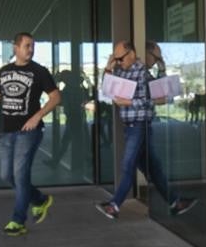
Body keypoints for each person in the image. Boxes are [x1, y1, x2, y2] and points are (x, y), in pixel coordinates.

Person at [0, 32, 60, 236]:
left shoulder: (39, 71)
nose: (31, 49)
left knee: (20, 174)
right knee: (6, 175)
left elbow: (55, 97)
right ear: (15, 48)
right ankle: (39, 199)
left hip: (29, 132)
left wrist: (37, 117)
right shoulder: (4, 71)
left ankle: (18, 221)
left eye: (33, 46)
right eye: (27, 45)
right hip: (6, 131)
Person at [94, 40, 197, 220]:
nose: (118, 62)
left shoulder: (141, 72)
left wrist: (129, 102)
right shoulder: (120, 70)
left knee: (128, 166)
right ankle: (175, 202)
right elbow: (105, 91)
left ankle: (114, 205)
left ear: (131, 53)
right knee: (154, 169)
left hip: (139, 125)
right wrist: (109, 68)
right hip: (131, 126)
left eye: (120, 58)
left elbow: (157, 97)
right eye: (115, 59)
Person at [51, 68, 92, 168]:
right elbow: (88, 96)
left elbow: (58, 99)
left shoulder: (68, 89)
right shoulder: (78, 87)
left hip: (73, 117)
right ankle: (55, 162)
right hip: (78, 116)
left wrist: (55, 80)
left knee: (72, 141)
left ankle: (55, 162)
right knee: (80, 140)